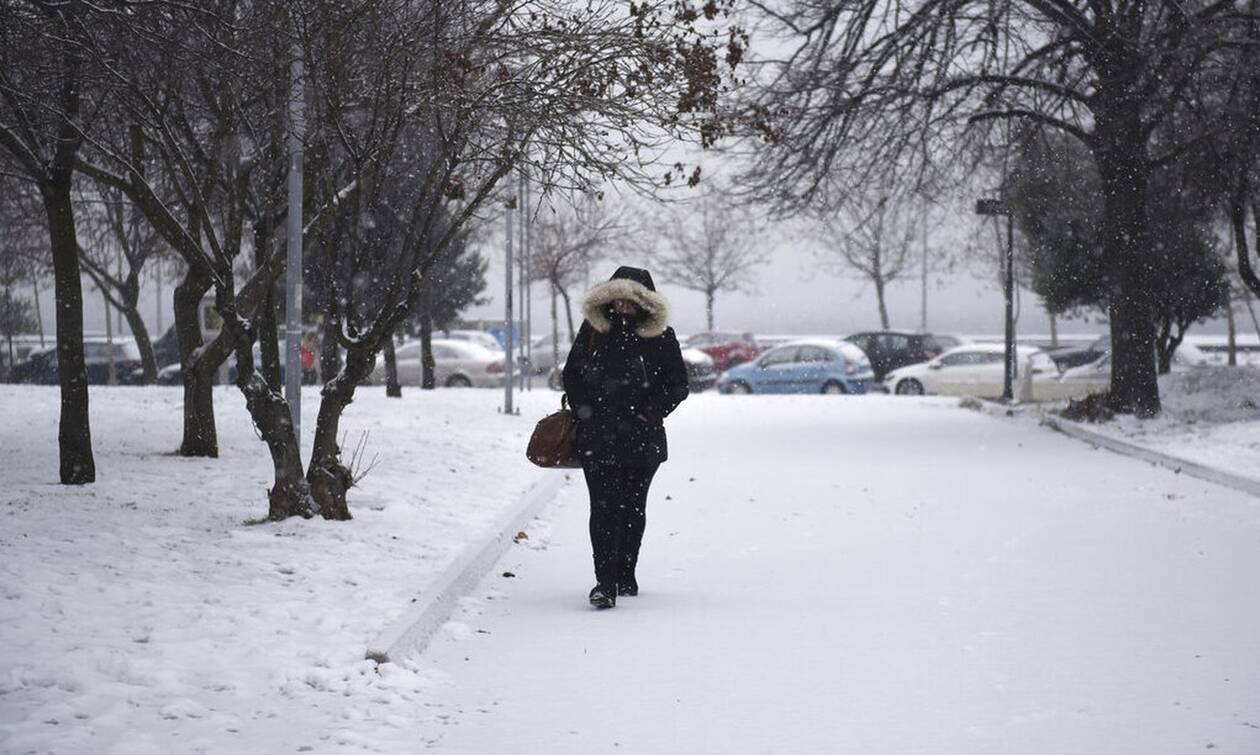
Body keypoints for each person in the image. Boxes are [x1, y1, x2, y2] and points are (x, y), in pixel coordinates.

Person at [562, 266, 690, 609]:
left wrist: (650, 411)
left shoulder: (661, 336)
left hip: (641, 439)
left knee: (633, 509)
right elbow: (571, 375)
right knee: (603, 508)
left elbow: (678, 385)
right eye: (618, 299)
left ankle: (625, 572)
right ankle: (604, 582)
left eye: (631, 300)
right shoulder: (593, 331)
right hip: (597, 437)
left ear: (644, 302)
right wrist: (584, 409)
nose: (623, 307)